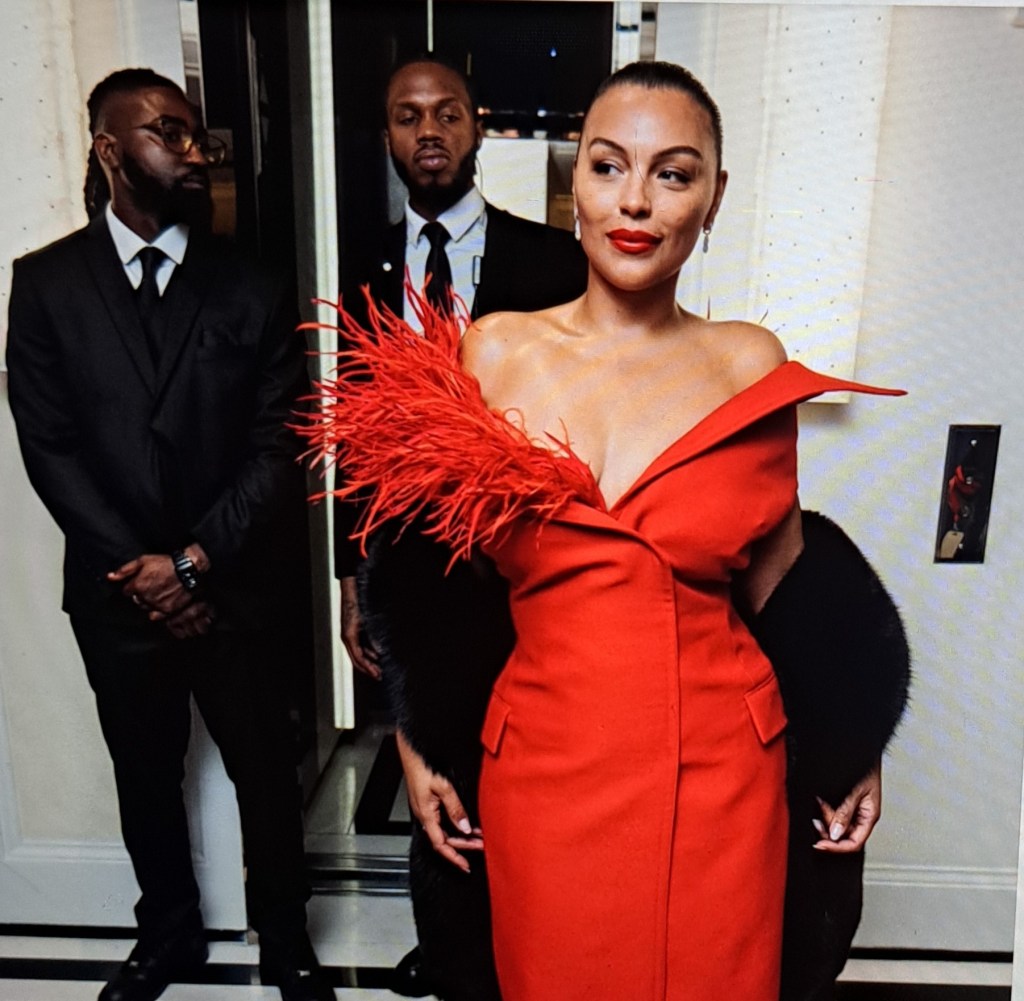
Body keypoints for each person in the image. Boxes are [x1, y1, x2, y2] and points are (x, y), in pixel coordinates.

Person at [305, 61, 905, 999]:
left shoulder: (750, 363)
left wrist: (851, 735)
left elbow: (784, 575)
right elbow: (437, 578)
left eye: (674, 173)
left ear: (713, 198)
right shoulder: (496, 352)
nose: (635, 201)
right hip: (545, 767)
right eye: (608, 165)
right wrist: (418, 742)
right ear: (574, 181)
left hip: (722, 775)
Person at [6, 69, 333, 1001]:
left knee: (266, 770)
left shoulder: (254, 284)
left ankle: (287, 939)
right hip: (116, 595)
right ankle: (169, 938)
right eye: (169, 133)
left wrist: (190, 564)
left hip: (235, 584)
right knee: (144, 774)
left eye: (197, 136)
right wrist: (140, 572)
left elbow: (279, 445)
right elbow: (50, 448)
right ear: (111, 150)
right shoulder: (45, 284)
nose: (194, 152)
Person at [333, 55, 586, 1000]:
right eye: (408, 116)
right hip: (411, 557)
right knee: (429, 750)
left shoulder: (552, 259)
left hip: (524, 552)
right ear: (388, 137)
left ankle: (521, 935)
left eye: (447, 113)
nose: (428, 131)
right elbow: (349, 432)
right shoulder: (362, 266)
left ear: (477, 128)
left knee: (524, 758)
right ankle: (447, 943)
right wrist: (351, 576)